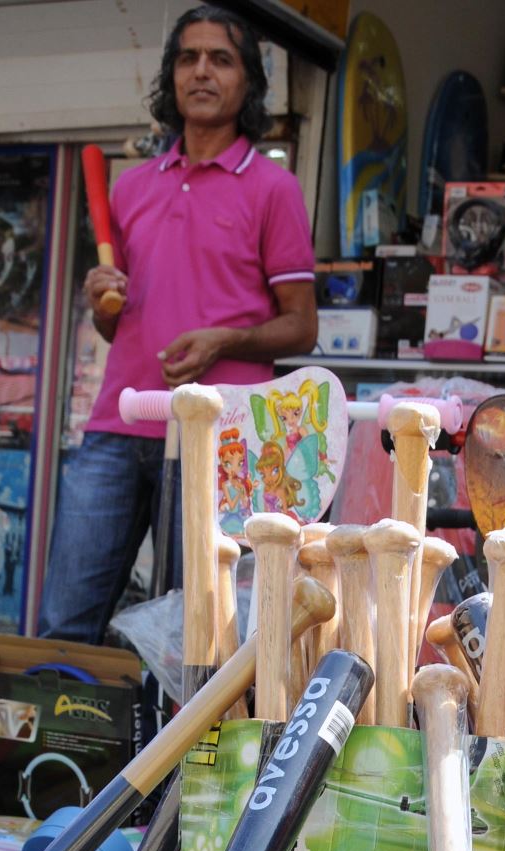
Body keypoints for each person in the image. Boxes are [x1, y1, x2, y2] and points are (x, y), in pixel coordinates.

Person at [38, 4, 317, 643]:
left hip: (220, 435)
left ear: (248, 82)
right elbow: (119, 327)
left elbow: (301, 327)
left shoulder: (273, 188)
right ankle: (63, 748)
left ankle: (186, 748)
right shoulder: (133, 187)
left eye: (221, 58)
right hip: (119, 420)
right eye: (187, 58)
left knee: (201, 637)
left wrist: (227, 339)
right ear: (171, 78)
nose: (201, 71)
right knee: (64, 624)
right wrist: (100, 298)